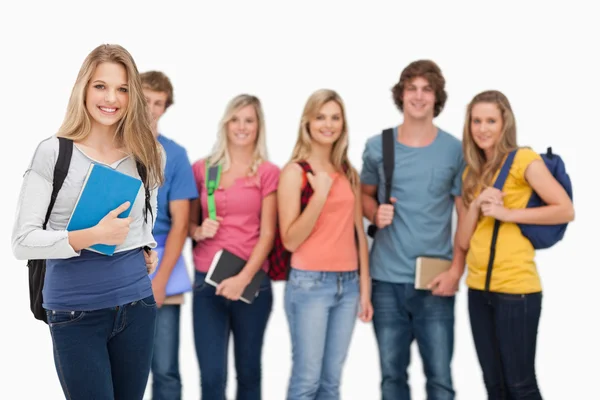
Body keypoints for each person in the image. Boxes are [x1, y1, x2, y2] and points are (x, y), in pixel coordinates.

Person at [11, 44, 164, 399]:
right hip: (74, 311)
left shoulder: (149, 153)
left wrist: (146, 246)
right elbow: (22, 242)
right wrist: (91, 235)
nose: (111, 98)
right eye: (101, 86)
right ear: (83, 88)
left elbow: (147, 215)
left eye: (123, 89)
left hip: (137, 305)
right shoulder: (54, 151)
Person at [457, 90, 574, 399]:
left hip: (517, 292)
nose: (482, 128)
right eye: (476, 121)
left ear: (504, 123)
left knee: (520, 386)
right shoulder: (471, 172)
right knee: (494, 385)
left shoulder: (523, 160)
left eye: (490, 121)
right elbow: (463, 240)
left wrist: (507, 213)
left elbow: (565, 209)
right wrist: (475, 204)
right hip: (479, 291)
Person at [360, 60, 466, 400]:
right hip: (386, 281)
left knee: (440, 380)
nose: (418, 96)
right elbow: (362, 196)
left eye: (427, 89)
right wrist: (375, 213)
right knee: (392, 379)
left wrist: (456, 271)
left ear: (437, 98)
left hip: (436, 281)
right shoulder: (379, 146)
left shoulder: (455, 149)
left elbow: (464, 216)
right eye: (412, 89)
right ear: (401, 95)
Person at [278, 89, 373, 400]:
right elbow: (290, 239)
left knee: (331, 383)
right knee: (307, 381)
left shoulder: (349, 173)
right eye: (320, 117)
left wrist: (365, 290)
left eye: (335, 117)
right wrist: (319, 195)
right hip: (310, 285)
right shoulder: (295, 172)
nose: (328, 124)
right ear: (307, 121)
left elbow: (359, 232)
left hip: (348, 285)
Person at [188, 94, 278, 400]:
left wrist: (243, 278)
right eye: (235, 120)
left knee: (249, 373)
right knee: (212, 378)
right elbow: (186, 225)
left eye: (249, 120)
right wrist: (197, 230)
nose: (241, 127)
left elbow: (268, 234)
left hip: (251, 284)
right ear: (226, 124)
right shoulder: (203, 169)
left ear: (258, 126)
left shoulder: (267, 173)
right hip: (206, 283)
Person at [141, 70, 198, 400]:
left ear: (166, 107)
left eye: (158, 102)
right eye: (145, 99)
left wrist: (160, 280)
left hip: (165, 263)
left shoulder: (175, 156)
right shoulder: (111, 148)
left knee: (165, 368)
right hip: (116, 259)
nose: (150, 109)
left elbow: (180, 224)